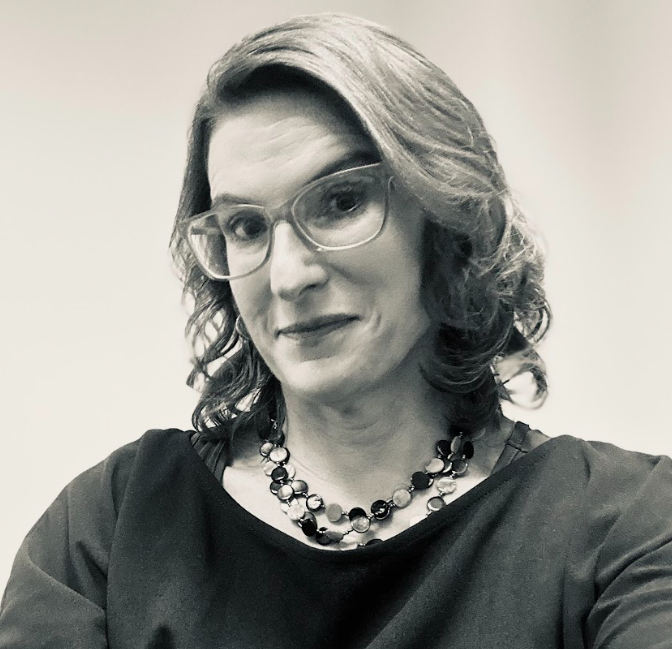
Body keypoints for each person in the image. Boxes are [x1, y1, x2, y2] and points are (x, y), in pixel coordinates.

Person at [1, 12, 671, 649]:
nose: (288, 276)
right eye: (245, 226)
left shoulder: (621, 522)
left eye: (341, 201)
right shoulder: (109, 525)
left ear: (447, 217)